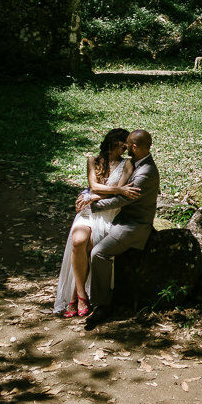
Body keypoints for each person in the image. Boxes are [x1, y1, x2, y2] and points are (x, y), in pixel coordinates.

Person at [76, 129, 159, 330]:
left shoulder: (146, 172)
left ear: (135, 147)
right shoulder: (138, 164)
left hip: (134, 226)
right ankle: (81, 294)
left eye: (128, 145)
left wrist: (92, 202)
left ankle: (103, 305)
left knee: (99, 252)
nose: (125, 148)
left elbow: (123, 198)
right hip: (123, 219)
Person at [53, 128, 140, 318]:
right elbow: (99, 186)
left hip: (107, 213)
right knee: (78, 241)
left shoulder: (127, 165)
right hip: (88, 212)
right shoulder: (92, 160)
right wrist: (92, 194)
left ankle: (76, 298)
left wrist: (92, 196)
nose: (125, 147)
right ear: (113, 141)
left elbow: (119, 191)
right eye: (122, 143)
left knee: (90, 247)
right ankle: (81, 294)